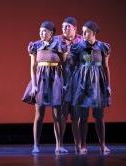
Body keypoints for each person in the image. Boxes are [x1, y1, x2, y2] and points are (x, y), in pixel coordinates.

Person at [22, 21, 67, 154]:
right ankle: (35, 145)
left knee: (57, 115)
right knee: (39, 114)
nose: (42, 34)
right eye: (40, 31)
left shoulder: (59, 44)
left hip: (55, 81)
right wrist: (34, 85)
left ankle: (59, 145)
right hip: (41, 80)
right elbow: (33, 67)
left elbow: (63, 65)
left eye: (44, 31)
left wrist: (64, 83)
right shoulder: (35, 46)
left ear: (51, 33)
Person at [66, 20, 111, 154]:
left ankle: (102, 144)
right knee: (83, 116)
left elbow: (105, 67)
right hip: (82, 83)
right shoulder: (78, 46)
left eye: (87, 32)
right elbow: (72, 66)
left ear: (94, 33)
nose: (84, 34)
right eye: (83, 31)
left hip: (97, 83)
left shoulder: (102, 47)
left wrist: (108, 85)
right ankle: (83, 145)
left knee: (99, 116)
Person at [55, 16, 83, 153]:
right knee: (62, 115)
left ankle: (78, 145)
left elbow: (87, 59)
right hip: (62, 81)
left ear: (75, 28)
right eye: (63, 27)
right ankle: (59, 145)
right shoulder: (57, 40)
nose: (65, 29)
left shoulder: (82, 41)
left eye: (68, 27)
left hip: (77, 82)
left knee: (76, 116)